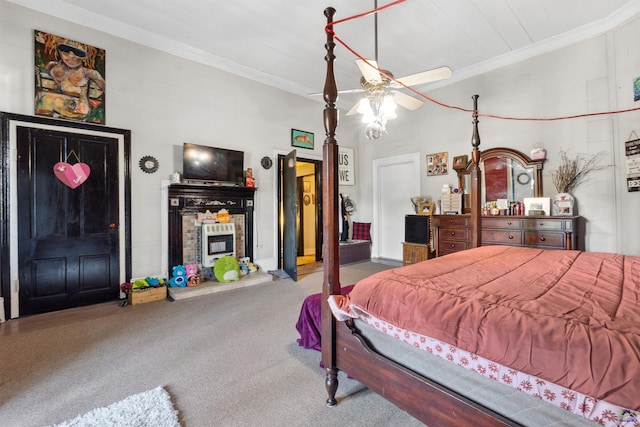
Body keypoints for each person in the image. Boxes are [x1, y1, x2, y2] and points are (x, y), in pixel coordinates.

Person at [35, 38, 105, 121]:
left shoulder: (88, 73)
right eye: (65, 49)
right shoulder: (52, 66)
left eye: (78, 53)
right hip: (53, 107)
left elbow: (110, 93)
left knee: (46, 100)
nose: (71, 56)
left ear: (85, 57)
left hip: (78, 109)